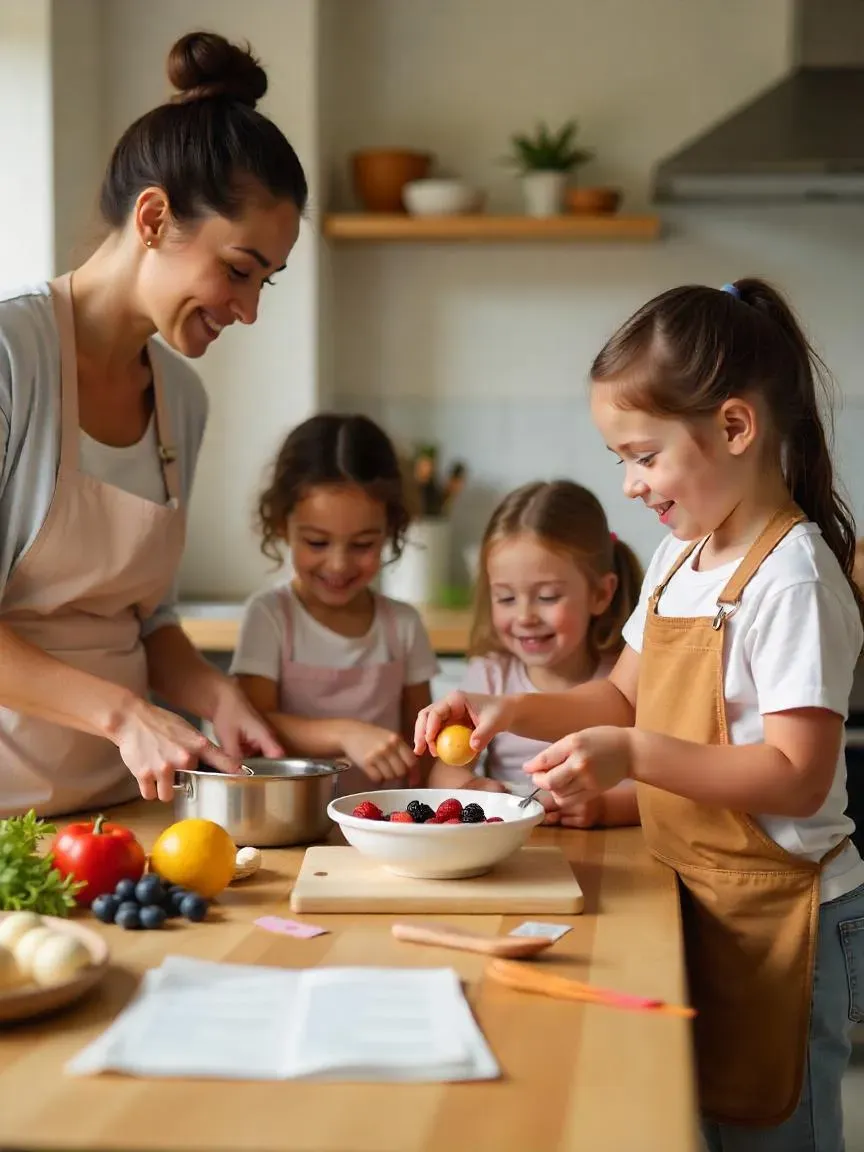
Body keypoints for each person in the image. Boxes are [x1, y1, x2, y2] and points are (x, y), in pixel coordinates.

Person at [416, 279, 864, 1151]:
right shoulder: (680, 555)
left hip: (784, 918)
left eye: (643, 455)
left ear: (735, 428)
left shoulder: (794, 576)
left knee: (777, 1131)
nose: (628, 484)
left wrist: (632, 753)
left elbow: (797, 775)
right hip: (695, 892)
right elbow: (619, 693)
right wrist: (512, 707)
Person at [0, 31, 309, 817]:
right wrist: (123, 715)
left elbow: (150, 620)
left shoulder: (181, 399)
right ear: (153, 217)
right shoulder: (11, 359)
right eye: (239, 271)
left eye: (266, 282)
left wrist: (218, 696)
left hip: (120, 812)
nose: (248, 309)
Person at [232, 413, 438, 795]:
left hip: (385, 823)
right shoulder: (271, 616)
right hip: (290, 821)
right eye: (316, 542)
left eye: (362, 545)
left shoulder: (403, 625)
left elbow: (424, 748)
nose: (339, 565)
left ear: (391, 530)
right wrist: (344, 733)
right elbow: (255, 723)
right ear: (282, 524)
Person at [429, 480, 642, 828]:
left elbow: (666, 788)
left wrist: (605, 808)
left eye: (547, 597)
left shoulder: (627, 679)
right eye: (506, 598)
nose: (525, 617)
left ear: (601, 594)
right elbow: (444, 772)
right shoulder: (489, 677)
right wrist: (471, 790)